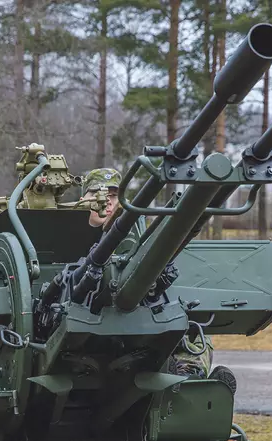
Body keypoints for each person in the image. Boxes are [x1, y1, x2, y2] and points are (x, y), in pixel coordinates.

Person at [80, 169, 235, 394]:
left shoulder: (135, 230)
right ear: (83, 198)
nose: (107, 202)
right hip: (90, 324)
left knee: (187, 318)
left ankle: (190, 376)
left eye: (114, 196)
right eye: (97, 194)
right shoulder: (68, 232)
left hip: (135, 316)